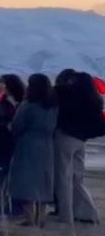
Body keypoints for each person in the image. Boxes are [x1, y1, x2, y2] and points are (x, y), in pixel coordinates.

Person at [53, 71, 104, 225]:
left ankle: (65, 215)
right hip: (81, 141)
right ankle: (88, 213)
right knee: (77, 179)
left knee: (63, 178)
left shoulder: (64, 93)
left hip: (64, 137)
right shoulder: (94, 99)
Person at [9, 74, 58, 227]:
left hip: (28, 145)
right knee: (44, 181)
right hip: (47, 146)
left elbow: (17, 126)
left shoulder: (28, 106)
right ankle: (41, 217)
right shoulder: (53, 107)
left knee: (26, 180)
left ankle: (29, 216)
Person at [0, 75, 24, 219]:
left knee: (10, 178)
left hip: (13, 145)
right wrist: (5, 125)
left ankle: (10, 208)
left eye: (3, 84)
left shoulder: (21, 103)